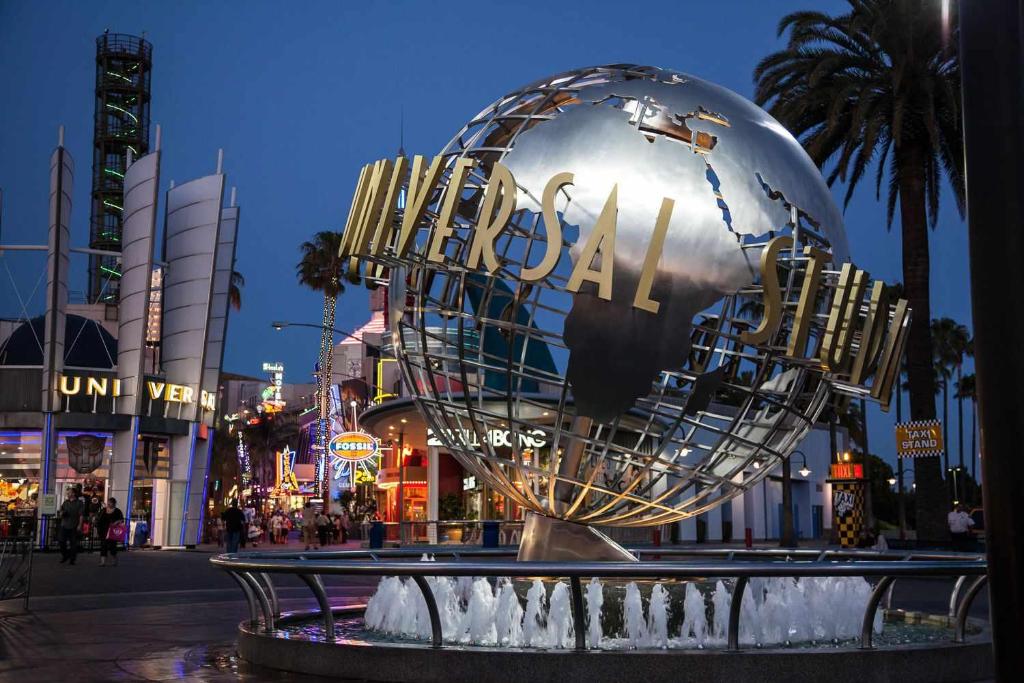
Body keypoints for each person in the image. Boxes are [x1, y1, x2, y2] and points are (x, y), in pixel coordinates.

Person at [57, 488, 85, 565]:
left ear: (73, 494)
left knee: (73, 543)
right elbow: (61, 511)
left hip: (74, 525)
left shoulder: (79, 503)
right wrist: (61, 513)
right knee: (61, 541)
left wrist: (80, 525)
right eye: (67, 493)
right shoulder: (65, 502)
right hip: (64, 524)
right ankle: (65, 555)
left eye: (69, 493)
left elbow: (81, 515)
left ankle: (72, 559)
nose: (68, 494)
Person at [95, 497, 125, 566]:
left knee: (112, 546)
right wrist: (96, 524)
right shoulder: (103, 510)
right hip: (103, 530)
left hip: (113, 531)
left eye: (110, 503)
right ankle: (103, 562)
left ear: (114, 504)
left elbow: (121, 520)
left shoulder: (117, 511)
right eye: (108, 502)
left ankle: (115, 559)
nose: (109, 504)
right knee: (103, 546)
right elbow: (99, 519)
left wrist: (116, 522)